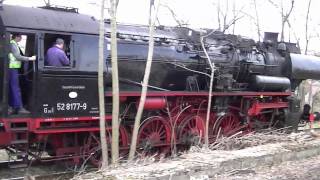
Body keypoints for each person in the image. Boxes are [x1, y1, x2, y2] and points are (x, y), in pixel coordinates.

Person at [8, 33, 36, 114]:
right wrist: (30, 58)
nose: (21, 38)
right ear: (16, 37)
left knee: (13, 87)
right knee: (15, 88)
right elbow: (17, 56)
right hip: (12, 68)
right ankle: (18, 107)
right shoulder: (13, 44)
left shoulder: (14, 44)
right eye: (20, 37)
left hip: (13, 68)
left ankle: (13, 106)